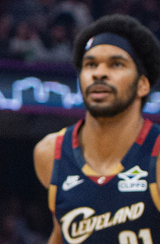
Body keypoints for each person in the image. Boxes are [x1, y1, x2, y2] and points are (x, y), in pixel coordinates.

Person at [33, 14, 160, 244]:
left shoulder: (156, 155)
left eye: (116, 64)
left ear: (142, 84)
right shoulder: (50, 153)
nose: (99, 73)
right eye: (90, 64)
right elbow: (61, 233)